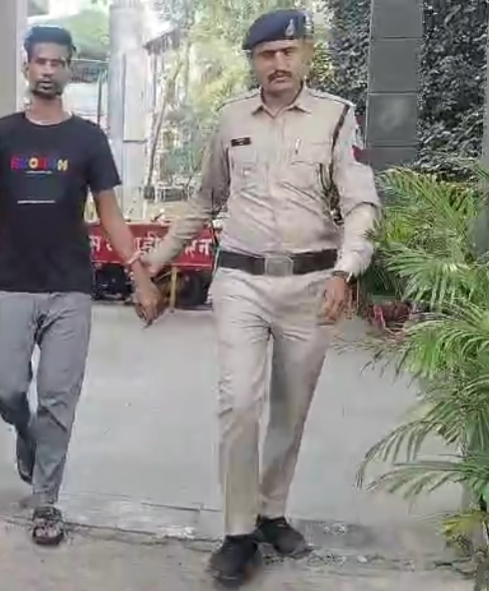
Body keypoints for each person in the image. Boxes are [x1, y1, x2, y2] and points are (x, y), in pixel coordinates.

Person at [141, 9, 381, 586]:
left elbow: (361, 204)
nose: (278, 63)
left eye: (288, 52)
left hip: (312, 284)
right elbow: (205, 199)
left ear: (306, 55)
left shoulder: (337, 117)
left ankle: (271, 512)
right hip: (241, 281)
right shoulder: (230, 119)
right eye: (267, 54)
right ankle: (237, 533)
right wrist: (155, 260)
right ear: (253, 60)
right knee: (240, 403)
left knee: (290, 411)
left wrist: (345, 271)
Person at [0, 25, 162, 546]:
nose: (48, 70)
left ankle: (46, 501)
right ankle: (26, 434)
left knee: (58, 397)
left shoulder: (87, 139)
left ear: (70, 69)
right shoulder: (1, 134)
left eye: (57, 62)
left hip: (70, 286)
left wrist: (139, 275)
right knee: (5, 388)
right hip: (14, 283)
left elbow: (110, 214)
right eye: (40, 61)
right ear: (26, 66)